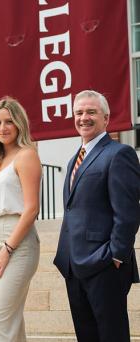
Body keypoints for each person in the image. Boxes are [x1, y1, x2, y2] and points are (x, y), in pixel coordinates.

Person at [53, 90, 140, 342]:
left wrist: (115, 255)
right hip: (73, 264)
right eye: (79, 112)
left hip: (104, 264)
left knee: (112, 336)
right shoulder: (73, 160)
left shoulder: (119, 154)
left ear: (106, 118)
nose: (84, 118)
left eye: (91, 112)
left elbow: (128, 213)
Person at [0, 97, 41, 341]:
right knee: (9, 322)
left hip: (16, 243)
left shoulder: (26, 156)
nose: (2, 128)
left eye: (9, 122)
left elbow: (31, 209)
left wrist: (7, 248)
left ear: (19, 124)